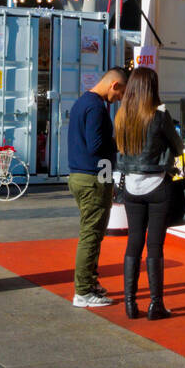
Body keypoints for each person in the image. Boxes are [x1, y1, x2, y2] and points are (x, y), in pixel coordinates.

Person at [114, 67, 183, 320]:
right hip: (156, 184)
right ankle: (156, 305)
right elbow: (178, 147)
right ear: (152, 88)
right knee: (155, 245)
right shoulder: (159, 115)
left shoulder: (122, 115)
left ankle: (130, 304)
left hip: (131, 186)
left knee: (133, 243)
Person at [67, 67, 128, 308]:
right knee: (91, 235)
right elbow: (96, 145)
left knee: (91, 233)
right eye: (121, 93)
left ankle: (89, 283)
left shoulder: (83, 102)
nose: (120, 99)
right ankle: (82, 291)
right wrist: (118, 144)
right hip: (92, 177)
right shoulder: (96, 107)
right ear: (114, 85)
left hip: (83, 175)